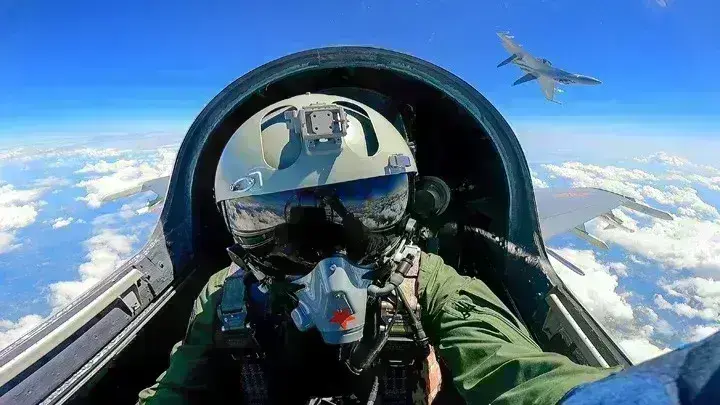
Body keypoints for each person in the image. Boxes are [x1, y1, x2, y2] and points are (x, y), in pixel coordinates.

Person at [138, 93, 717, 405]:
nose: (329, 258)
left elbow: (517, 375)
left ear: (410, 205)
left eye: (366, 208)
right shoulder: (228, 297)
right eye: (278, 222)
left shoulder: (431, 285)